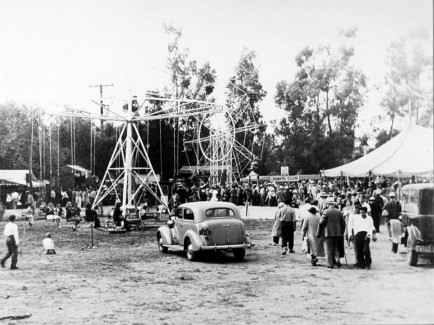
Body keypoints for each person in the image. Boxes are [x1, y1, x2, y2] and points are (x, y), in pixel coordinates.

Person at [316, 200, 346, 268]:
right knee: (336, 248)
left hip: (328, 233)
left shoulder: (326, 211)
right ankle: (337, 260)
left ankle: (330, 264)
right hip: (338, 233)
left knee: (328, 249)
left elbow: (321, 222)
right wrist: (341, 232)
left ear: (328, 204)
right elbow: (343, 223)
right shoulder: (339, 212)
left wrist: (318, 233)